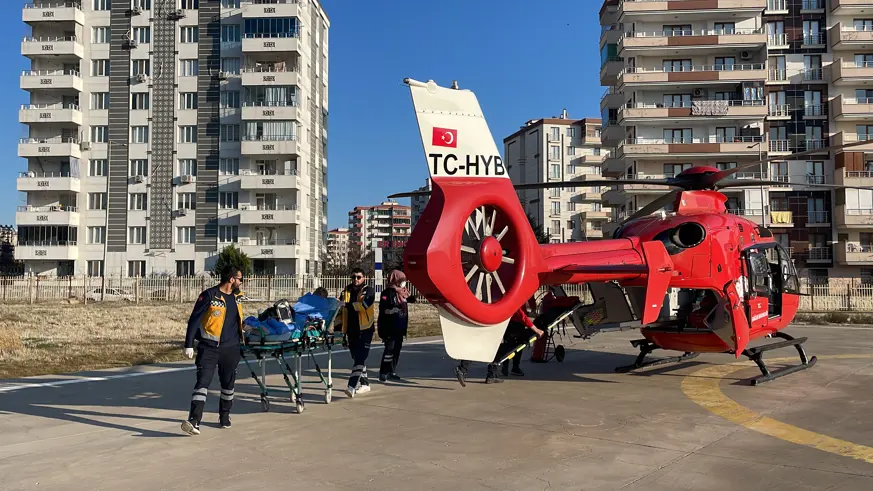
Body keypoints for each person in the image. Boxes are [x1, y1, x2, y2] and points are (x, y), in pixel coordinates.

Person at [180, 266, 246, 436]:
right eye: (240, 279)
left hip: (231, 348)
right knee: (202, 383)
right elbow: (194, 320)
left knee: (228, 385)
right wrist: (189, 344)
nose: (241, 282)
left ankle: (225, 416)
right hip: (209, 348)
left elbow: (236, 319)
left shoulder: (238, 297)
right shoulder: (209, 296)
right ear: (231, 279)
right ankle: (194, 421)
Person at [453, 306, 544, 386]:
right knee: (483, 346)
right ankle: (462, 369)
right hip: (500, 322)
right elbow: (521, 315)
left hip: (499, 321)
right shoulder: (512, 292)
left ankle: (491, 374)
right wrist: (536, 329)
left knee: (497, 349)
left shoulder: (498, 289)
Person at [339, 267, 376, 398]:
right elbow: (340, 311)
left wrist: (347, 305)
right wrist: (340, 333)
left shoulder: (369, 291)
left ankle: (351, 386)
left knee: (360, 357)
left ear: (364, 278)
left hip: (365, 329)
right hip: (351, 329)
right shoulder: (346, 291)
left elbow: (364, 306)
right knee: (356, 358)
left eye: (359, 277)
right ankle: (365, 384)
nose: (356, 279)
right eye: (354, 277)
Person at [377, 270, 416, 382]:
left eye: (404, 281)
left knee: (397, 350)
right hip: (390, 326)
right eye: (401, 280)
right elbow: (383, 308)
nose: (403, 283)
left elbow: (408, 300)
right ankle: (383, 372)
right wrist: (390, 310)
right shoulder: (388, 292)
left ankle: (392, 371)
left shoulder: (403, 292)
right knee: (389, 349)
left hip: (400, 325)